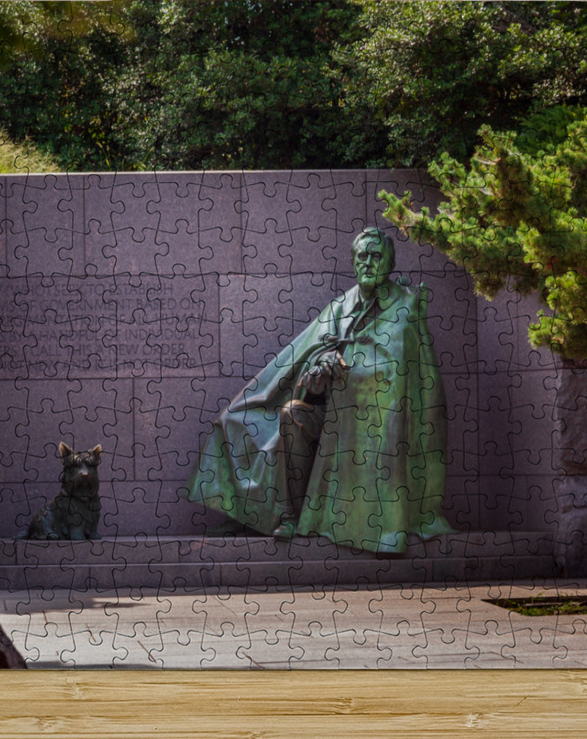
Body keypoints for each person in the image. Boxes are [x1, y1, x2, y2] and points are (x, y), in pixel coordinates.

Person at [187, 227, 454, 555]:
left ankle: (355, 523)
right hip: (330, 415)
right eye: (362, 256)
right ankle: (285, 516)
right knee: (280, 416)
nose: (368, 263)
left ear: (389, 263)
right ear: (353, 263)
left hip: (374, 424)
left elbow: (405, 376)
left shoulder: (405, 307)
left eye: (376, 256)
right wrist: (320, 363)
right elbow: (306, 357)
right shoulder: (341, 306)